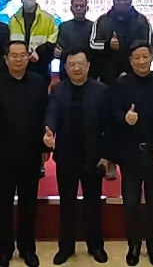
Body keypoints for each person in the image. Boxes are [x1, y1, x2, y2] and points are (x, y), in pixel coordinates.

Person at [44, 48, 111, 265]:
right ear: (65, 67)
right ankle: (66, 247)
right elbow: (51, 114)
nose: (76, 68)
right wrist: (49, 130)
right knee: (67, 204)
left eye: (80, 64)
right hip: (66, 156)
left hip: (93, 156)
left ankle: (96, 246)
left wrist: (106, 155)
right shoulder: (58, 90)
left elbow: (108, 126)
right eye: (71, 64)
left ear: (88, 66)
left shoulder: (102, 91)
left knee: (93, 203)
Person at [111, 42, 153, 267]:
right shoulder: (120, 84)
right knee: (131, 204)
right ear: (130, 60)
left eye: (145, 56)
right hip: (131, 155)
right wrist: (123, 118)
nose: (141, 61)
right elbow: (112, 113)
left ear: (152, 57)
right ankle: (134, 244)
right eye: (136, 57)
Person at [0, 42, 49, 267]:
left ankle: (27, 249)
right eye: (13, 56)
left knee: (28, 206)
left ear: (28, 57)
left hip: (30, 154)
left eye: (22, 55)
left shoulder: (38, 82)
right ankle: (4, 252)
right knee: (3, 206)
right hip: (3, 155)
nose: (18, 59)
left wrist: (45, 148)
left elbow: (45, 115)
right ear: (6, 59)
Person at [91, 0, 152, 84]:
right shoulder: (102, 20)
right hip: (108, 75)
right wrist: (108, 45)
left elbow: (148, 46)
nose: (122, 2)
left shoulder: (142, 21)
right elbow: (93, 44)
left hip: (136, 73)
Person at [9, 0, 59, 86]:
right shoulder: (13, 19)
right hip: (17, 68)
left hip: (40, 68)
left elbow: (52, 42)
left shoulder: (48, 19)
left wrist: (38, 52)